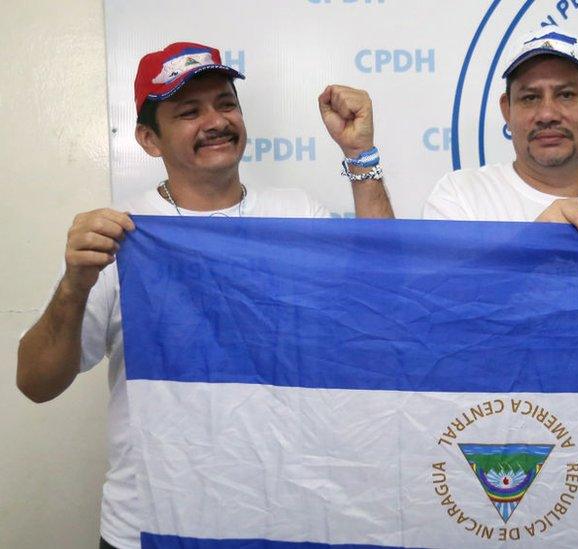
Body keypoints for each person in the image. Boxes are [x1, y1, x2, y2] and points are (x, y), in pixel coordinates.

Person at [16, 42, 392, 549]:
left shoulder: (295, 214)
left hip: (283, 520)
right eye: (189, 111)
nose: (215, 121)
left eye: (225, 103)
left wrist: (359, 155)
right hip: (152, 526)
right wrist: (74, 286)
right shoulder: (119, 235)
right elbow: (36, 383)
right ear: (149, 139)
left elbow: (385, 296)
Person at [423, 27, 578, 246]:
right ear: (507, 111)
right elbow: (444, 295)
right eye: (530, 98)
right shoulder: (460, 197)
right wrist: (534, 244)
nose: (547, 114)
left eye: (566, 95)